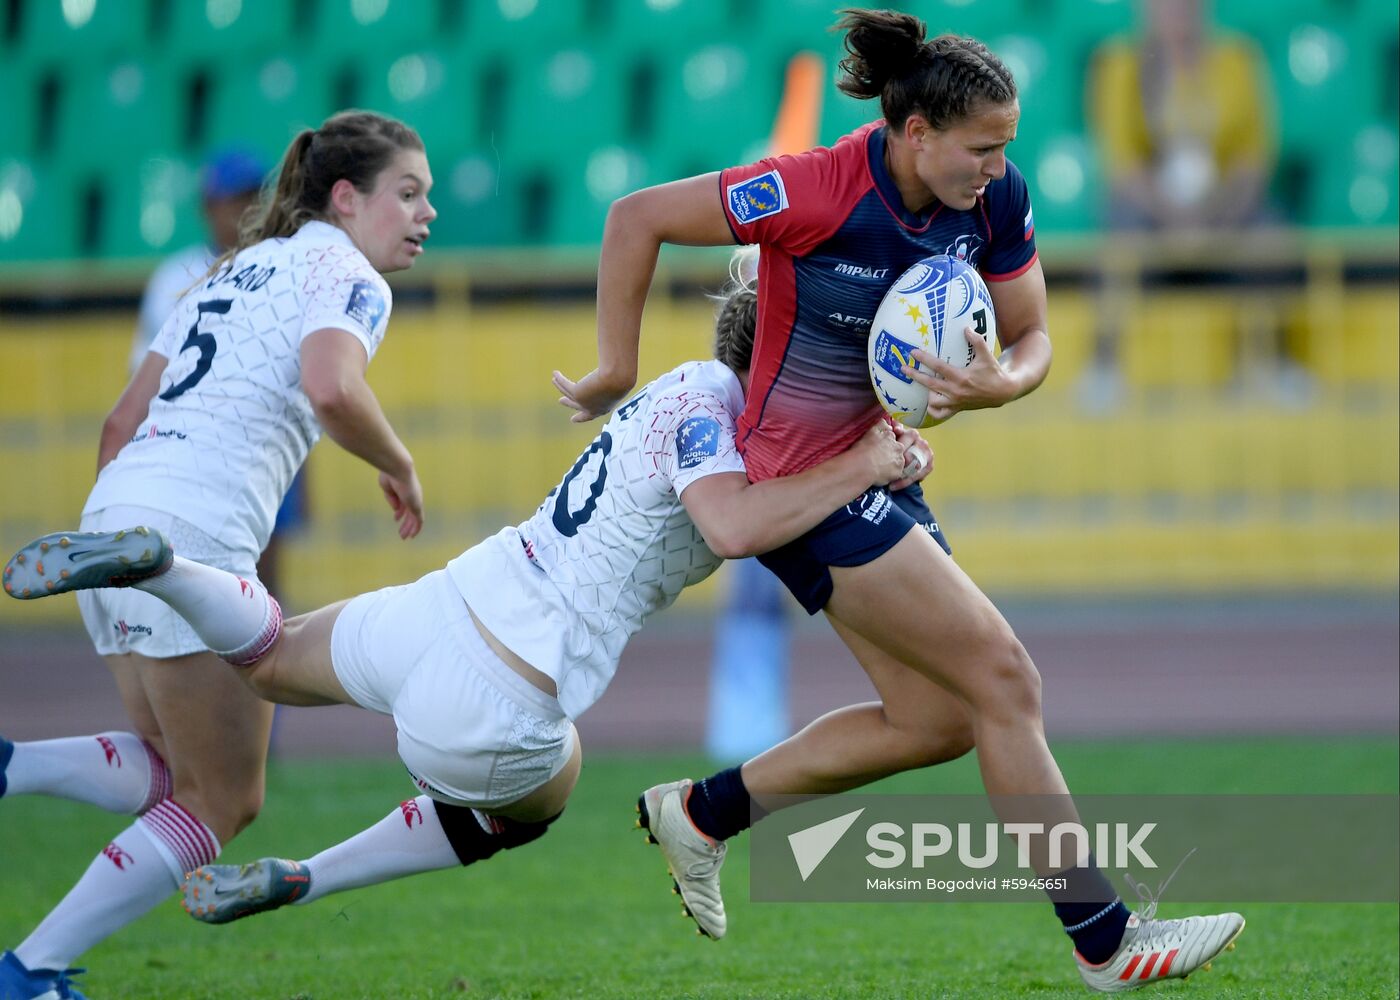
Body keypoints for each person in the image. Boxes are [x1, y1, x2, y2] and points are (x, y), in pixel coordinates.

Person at [554, 9, 1244, 993]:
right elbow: (636, 218)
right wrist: (610, 366)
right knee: (1004, 678)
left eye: (1005, 147)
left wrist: (1005, 381)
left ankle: (702, 812)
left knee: (937, 720)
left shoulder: (993, 199)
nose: (995, 168)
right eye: (980, 148)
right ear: (914, 134)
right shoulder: (814, 189)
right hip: (804, 488)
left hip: (880, 471)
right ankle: (1105, 939)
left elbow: (1033, 332)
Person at [2, 257, 923, 940]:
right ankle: (309, 879)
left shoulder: (678, 390)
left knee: (272, 659)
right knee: (534, 804)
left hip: (441, 605)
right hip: (506, 696)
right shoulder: (721, 421)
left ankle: (164, 567)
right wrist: (873, 461)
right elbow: (732, 526)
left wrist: (864, 454)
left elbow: (765, 495)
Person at [0, 110, 433, 1000]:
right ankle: (30, 972)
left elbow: (121, 421)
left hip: (115, 504)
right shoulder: (348, 274)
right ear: (346, 199)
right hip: (194, 533)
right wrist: (399, 463)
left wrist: (118, 511)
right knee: (224, 799)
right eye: (409, 193)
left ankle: (15, 767)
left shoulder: (223, 271)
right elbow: (330, 386)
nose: (426, 214)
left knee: (171, 766)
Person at [1077, 0, 1284, 411]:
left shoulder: (1237, 57)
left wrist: (1217, 215)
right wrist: (1176, 217)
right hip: (1151, 210)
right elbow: (1121, 164)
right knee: (1118, 235)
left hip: (1224, 206)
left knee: (1270, 235)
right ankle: (1105, 366)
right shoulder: (1119, 63)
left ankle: (1272, 362)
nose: (1176, 10)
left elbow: (1254, 155)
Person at [129, 147, 310, 596]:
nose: (248, 208)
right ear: (208, 206)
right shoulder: (176, 276)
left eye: (255, 196)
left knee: (266, 571)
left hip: (267, 433)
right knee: (200, 574)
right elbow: (145, 375)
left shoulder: (286, 261)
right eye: (235, 198)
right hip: (195, 439)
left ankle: (266, 654)